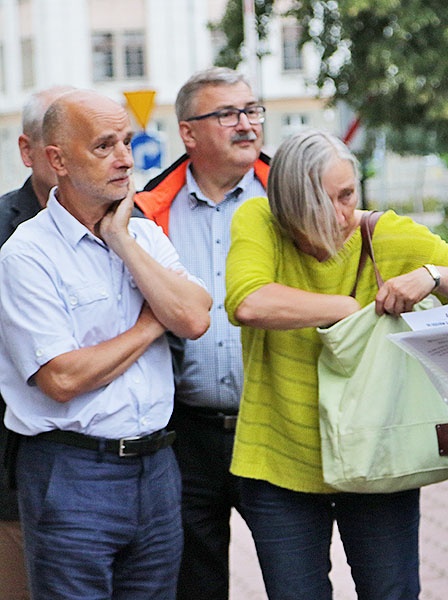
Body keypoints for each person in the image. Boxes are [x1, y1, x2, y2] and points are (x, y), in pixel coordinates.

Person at [224, 128, 448, 599]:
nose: (349, 210)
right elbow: (247, 301)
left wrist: (433, 276)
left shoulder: (383, 235)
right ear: (294, 205)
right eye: (336, 199)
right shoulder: (260, 219)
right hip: (280, 461)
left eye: (352, 193)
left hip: (380, 454)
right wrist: (347, 310)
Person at [0, 89, 212, 598]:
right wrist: (147, 325)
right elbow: (62, 377)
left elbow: (193, 317)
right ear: (58, 160)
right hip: (73, 473)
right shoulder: (26, 254)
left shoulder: (142, 235)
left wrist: (121, 241)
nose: (124, 158)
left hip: (157, 469)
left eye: (127, 141)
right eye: (103, 146)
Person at [134, 66, 268, 600]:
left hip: (274, 424)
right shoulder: (146, 212)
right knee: (194, 584)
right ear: (188, 132)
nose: (246, 124)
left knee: (295, 577)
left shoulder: (287, 196)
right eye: (227, 114)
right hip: (185, 433)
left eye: (252, 110)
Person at [0, 84, 73, 600]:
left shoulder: (132, 226)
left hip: (120, 468)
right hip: (20, 471)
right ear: (29, 152)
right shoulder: (4, 230)